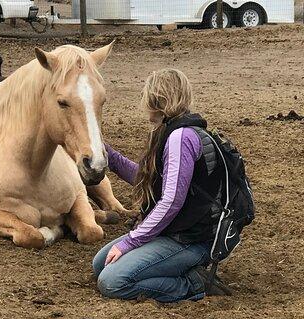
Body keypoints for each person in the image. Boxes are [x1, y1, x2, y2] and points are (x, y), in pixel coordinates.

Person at [93, 68, 231, 303]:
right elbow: (154, 182)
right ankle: (175, 269)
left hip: (190, 239)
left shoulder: (180, 138)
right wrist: (109, 157)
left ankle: (192, 284)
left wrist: (131, 242)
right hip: (176, 231)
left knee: (112, 282)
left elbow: (171, 201)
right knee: (100, 264)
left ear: (156, 100)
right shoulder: (174, 131)